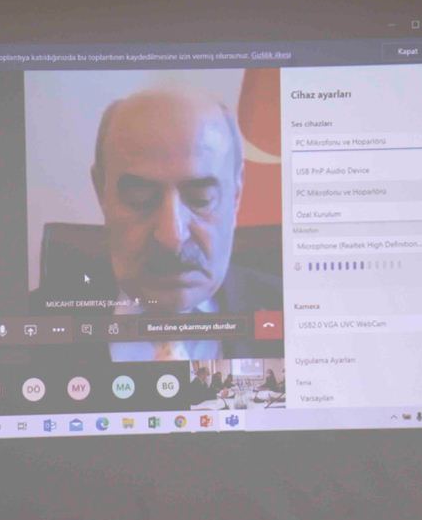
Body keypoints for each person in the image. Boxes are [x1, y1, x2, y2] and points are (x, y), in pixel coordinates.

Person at [32, 87, 282, 361]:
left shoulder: (294, 314)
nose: (172, 236)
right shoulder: (31, 324)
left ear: (236, 195)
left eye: (201, 199)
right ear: (102, 192)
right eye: (140, 198)